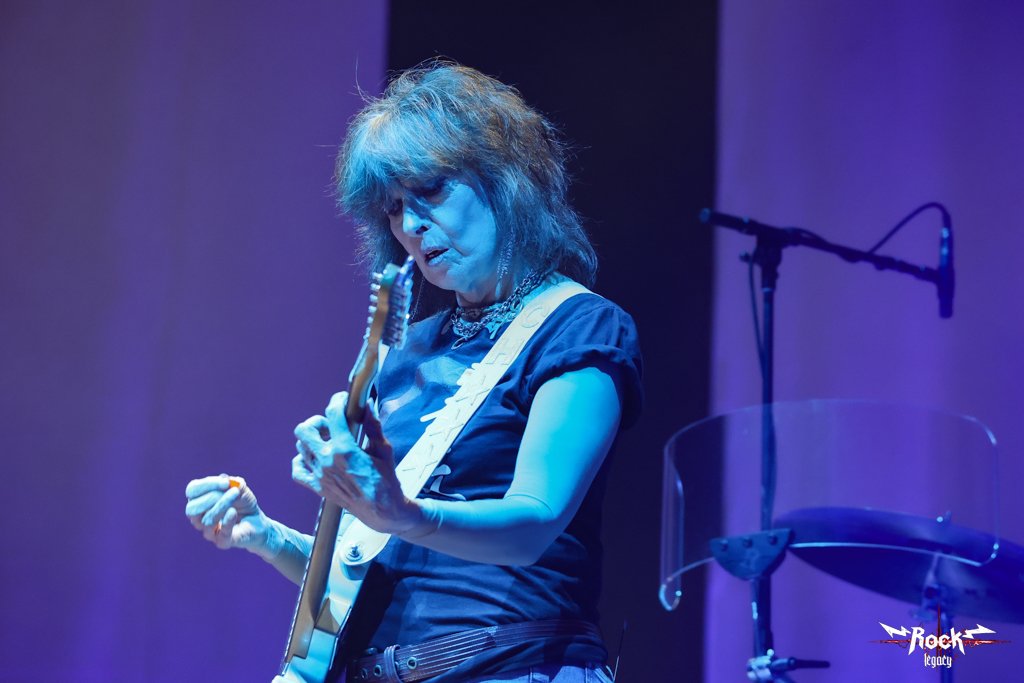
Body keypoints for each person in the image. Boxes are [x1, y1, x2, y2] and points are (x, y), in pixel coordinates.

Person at [185, 62, 642, 683]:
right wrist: (267, 538)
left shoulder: (580, 328)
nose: (411, 225)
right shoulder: (403, 354)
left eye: (430, 189)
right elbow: (371, 562)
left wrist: (403, 514)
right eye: (394, 208)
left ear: (505, 179)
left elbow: (533, 523)